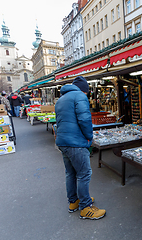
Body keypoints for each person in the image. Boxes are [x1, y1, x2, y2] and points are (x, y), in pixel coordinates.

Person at [55, 76, 106, 220]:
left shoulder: (61, 99)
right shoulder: (80, 97)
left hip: (63, 141)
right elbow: (84, 119)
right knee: (84, 174)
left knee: (70, 173)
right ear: (85, 90)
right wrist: (89, 137)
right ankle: (85, 207)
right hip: (76, 142)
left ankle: (73, 202)